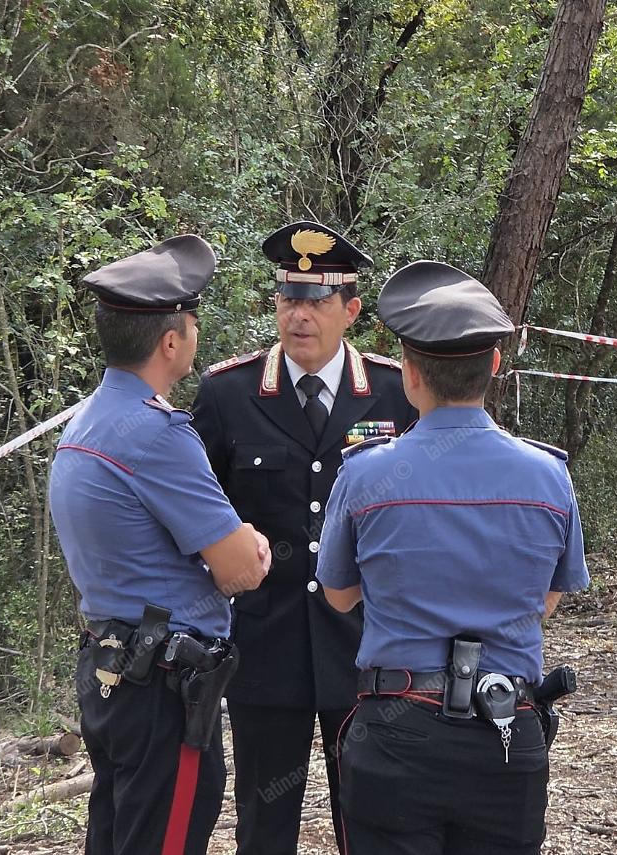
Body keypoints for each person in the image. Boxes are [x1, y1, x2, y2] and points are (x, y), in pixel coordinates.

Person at [316, 260, 589, 854]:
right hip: (505, 733)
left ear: (409, 374)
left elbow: (338, 595)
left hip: (396, 733)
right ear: (494, 365)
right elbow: (546, 601)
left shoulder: (366, 475)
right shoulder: (548, 477)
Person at [190, 221, 418, 855]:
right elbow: (196, 511)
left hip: (366, 643)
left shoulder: (396, 392)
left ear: (350, 309)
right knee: (265, 821)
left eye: (317, 301)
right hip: (265, 644)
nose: (301, 315)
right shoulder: (228, 394)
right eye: (290, 298)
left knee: (371, 816)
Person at [49, 235, 271, 855]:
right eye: (193, 324)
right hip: (163, 690)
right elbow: (241, 569)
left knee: (119, 835)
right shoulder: (159, 435)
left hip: (111, 668)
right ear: (171, 340)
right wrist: (252, 543)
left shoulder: (86, 422)